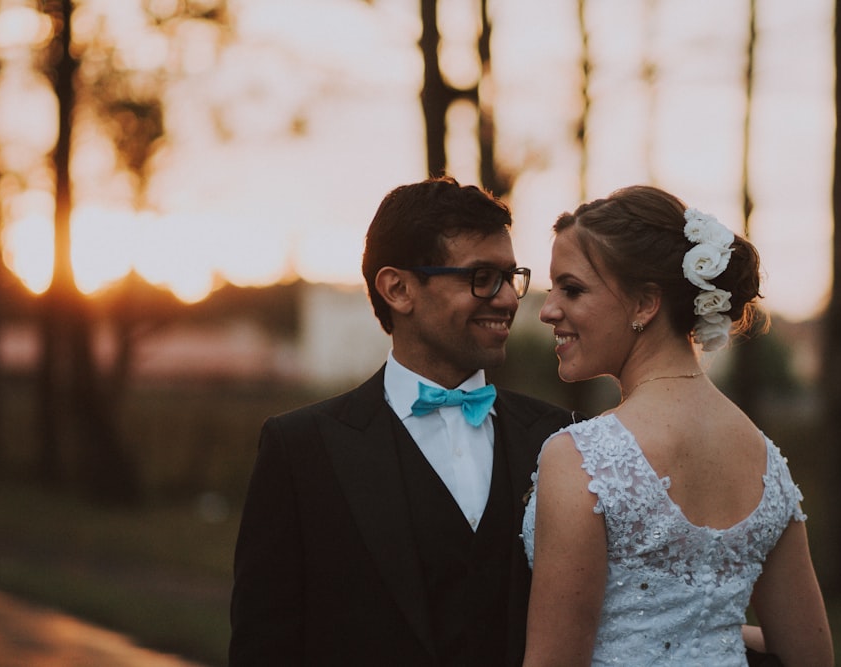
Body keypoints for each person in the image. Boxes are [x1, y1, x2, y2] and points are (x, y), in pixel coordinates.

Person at [229, 176, 579, 666]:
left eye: (511, 276)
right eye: (481, 277)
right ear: (398, 289)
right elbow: (265, 648)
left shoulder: (559, 436)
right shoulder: (301, 449)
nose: (507, 299)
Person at [521, 185, 833, 666]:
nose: (548, 310)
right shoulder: (765, 459)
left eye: (572, 288)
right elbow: (810, 654)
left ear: (646, 303)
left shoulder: (583, 459)